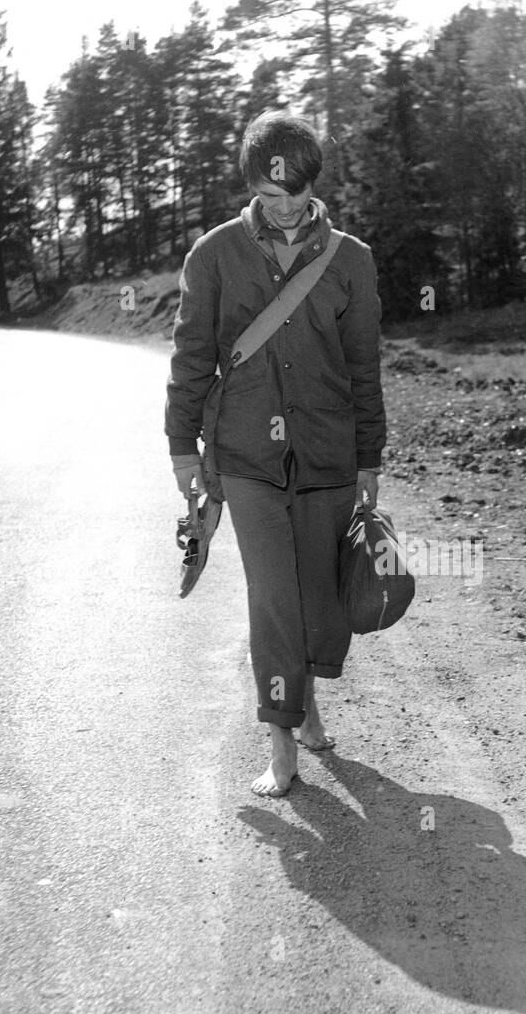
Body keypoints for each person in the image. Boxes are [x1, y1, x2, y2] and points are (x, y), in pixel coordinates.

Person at [165, 111, 385, 797]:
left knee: (321, 597)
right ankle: (281, 740)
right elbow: (192, 356)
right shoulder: (214, 254)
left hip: (326, 450)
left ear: (314, 184)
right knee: (272, 598)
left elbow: (363, 365)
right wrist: (181, 448)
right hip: (245, 456)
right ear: (252, 185)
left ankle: (307, 700)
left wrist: (369, 457)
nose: (283, 208)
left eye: (294, 195)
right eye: (269, 195)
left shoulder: (351, 260)